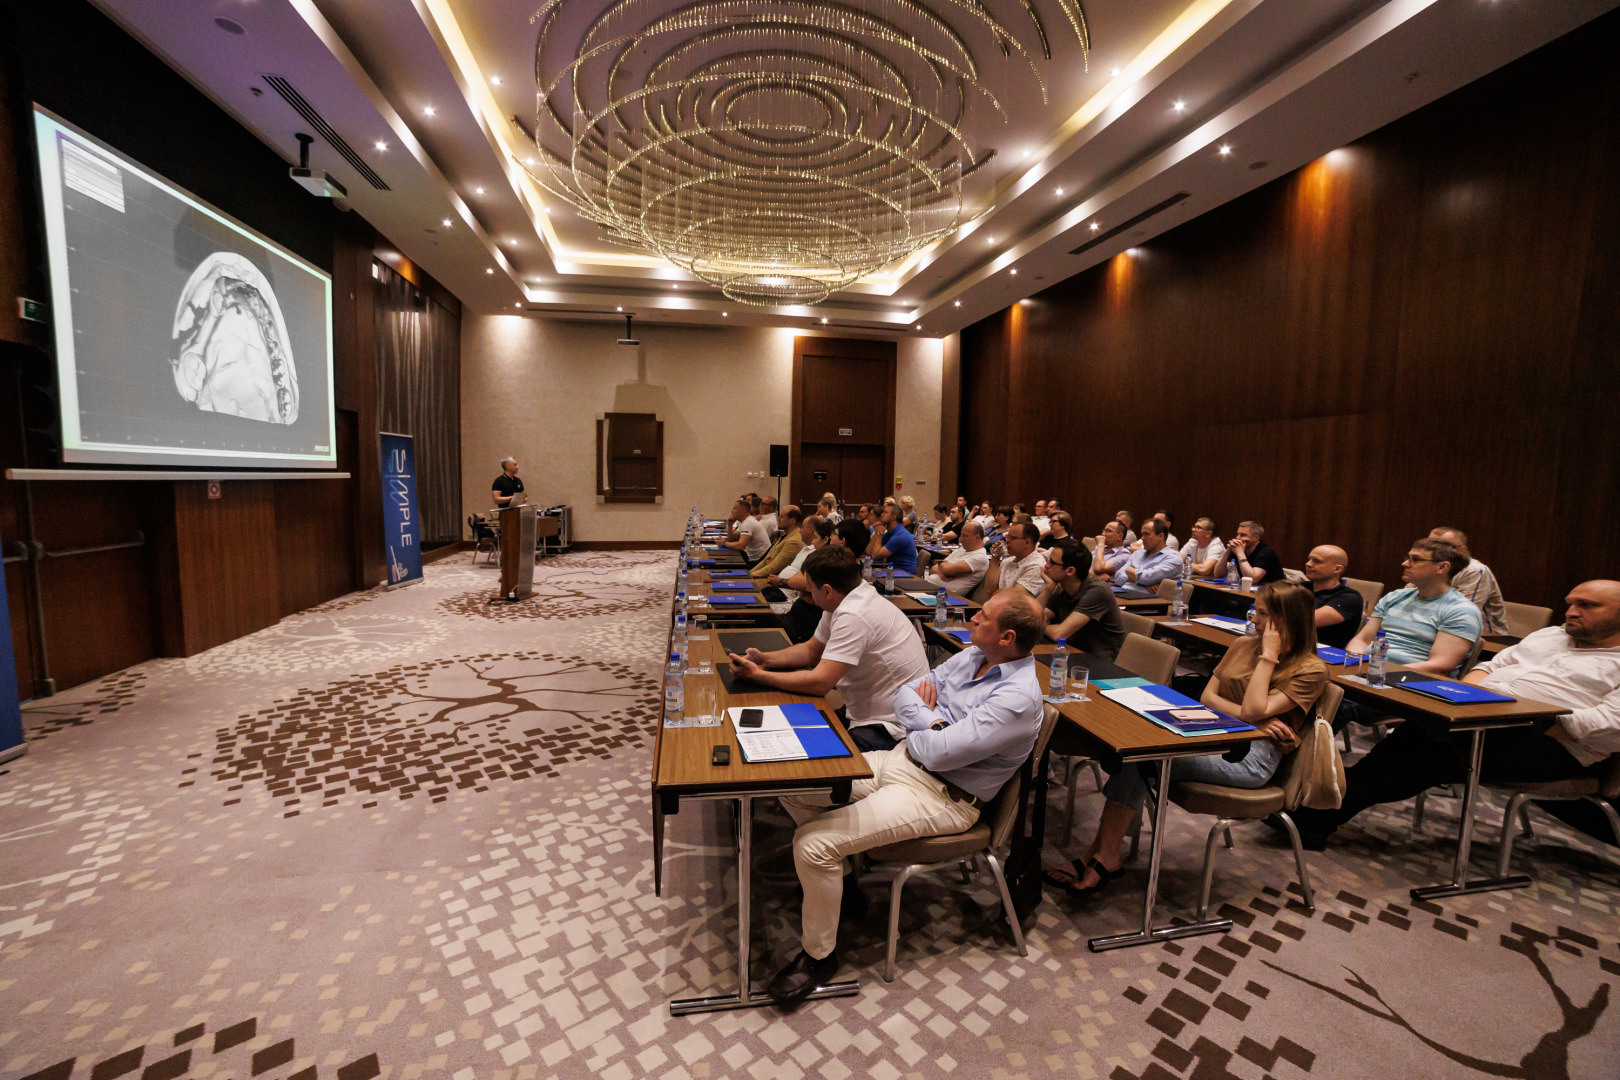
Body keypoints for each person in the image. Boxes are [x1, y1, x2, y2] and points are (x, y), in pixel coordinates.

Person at [765, 589, 1047, 1005]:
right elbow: (904, 695)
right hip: (902, 758)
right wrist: (938, 723)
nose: (972, 617)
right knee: (795, 783)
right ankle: (844, 890)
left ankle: (818, 958)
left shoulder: (1017, 697)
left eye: (983, 616)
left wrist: (930, 722)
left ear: (1006, 638)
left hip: (944, 797)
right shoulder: (972, 655)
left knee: (813, 845)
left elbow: (940, 751)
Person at [1290, 580, 1620, 850]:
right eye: (1571, 602)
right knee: (1421, 732)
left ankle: (1315, 815)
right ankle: (1315, 812)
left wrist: (1537, 717)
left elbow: (1610, 727)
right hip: (1483, 716)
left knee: (1431, 746)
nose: (1571, 612)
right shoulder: (1551, 635)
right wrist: (1471, 697)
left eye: (1587, 606)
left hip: (1554, 746)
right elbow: (1491, 665)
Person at [1049, 581, 1329, 896]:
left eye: (1264, 614)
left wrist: (1268, 658)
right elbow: (1208, 698)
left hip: (1253, 758)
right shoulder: (1242, 645)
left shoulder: (1310, 670)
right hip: (1209, 731)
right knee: (1139, 753)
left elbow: (1253, 707)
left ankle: (1101, 855)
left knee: (1144, 757)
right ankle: (1102, 855)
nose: (1254, 619)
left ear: (1287, 620)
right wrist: (1253, 717)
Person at [728, 546, 930, 754]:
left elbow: (820, 683)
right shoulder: (846, 598)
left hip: (893, 727)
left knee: (818, 762)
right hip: (867, 710)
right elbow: (810, 651)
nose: (805, 593)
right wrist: (765, 660)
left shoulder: (854, 615)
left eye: (809, 588)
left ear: (826, 590)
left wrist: (758, 676)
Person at [1332, 537, 1483, 732]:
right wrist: (1355, 666)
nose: (1405, 563)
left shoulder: (1461, 610)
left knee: (1336, 703)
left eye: (1415, 559)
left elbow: (1440, 665)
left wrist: (1377, 673)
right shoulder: (1395, 597)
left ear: (1442, 567)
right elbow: (1362, 639)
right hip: (1368, 677)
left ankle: (1309, 760)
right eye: (1407, 558)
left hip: (1411, 687)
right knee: (1304, 688)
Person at [1041, 537, 1127, 658]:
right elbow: (1036, 618)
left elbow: (1058, 634)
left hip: (1099, 663)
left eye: (1052, 562)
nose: (1046, 566)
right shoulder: (1062, 588)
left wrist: (1040, 625)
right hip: (1073, 652)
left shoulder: (1097, 591)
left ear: (1070, 571)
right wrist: (1048, 588)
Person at [1430, 526, 1509, 635]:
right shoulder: (1427, 566)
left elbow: (1463, 615)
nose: (1435, 551)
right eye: (1430, 545)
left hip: (1487, 641)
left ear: (1462, 550)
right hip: (1438, 630)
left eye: (1443, 546)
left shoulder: (1474, 570)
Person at [779, 517, 834, 641]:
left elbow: (798, 583)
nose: (813, 542)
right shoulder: (815, 556)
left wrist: (805, 588)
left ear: (825, 540)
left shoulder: (827, 562)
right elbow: (796, 581)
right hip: (796, 612)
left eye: (815, 537)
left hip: (804, 621)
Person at [1302, 545, 1365, 649]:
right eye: (1309, 559)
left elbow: (1304, 622)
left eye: (1316, 561)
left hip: (1325, 656)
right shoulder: (1301, 587)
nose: (1308, 564)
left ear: (1337, 569)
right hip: (1295, 649)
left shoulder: (1350, 597)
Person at [1112, 517, 1181, 598]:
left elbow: (1146, 577)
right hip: (1123, 594)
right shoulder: (1137, 554)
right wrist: (1144, 582)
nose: (1142, 538)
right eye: (1142, 534)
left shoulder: (1173, 558)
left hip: (1148, 603)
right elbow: (1118, 577)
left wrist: (1129, 570)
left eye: (1147, 534)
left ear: (1160, 536)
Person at [983, 520, 1047, 600]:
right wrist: (995, 560)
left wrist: (996, 593)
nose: (1007, 540)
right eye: (1007, 536)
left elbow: (1014, 598)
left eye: (1012, 538)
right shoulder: (1007, 562)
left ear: (1027, 542)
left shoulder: (1036, 566)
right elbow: (989, 590)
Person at [923, 521, 991, 596]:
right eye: (961, 535)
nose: (961, 539)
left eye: (965, 536)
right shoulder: (962, 549)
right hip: (933, 591)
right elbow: (933, 569)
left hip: (949, 598)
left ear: (977, 537)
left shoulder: (980, 557)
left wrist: (941, 565)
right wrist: (942, 573)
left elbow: (947, 570)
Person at [1211, 521, 1285, 588]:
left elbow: (1252, 580)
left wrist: (1240, 553)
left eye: (1243, 535)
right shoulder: (1239, 549)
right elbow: (1218, 574)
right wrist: (1228, 551)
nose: (1237, 537)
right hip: (1252, 591)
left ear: (1256, 537)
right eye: (1238, 534)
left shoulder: (1266, 552)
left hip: (1274, 594)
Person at [749, 505, 805, 580]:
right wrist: (749, 573)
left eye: (781, 516)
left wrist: (750, 576)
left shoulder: (794, 541)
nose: (778, 519)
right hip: (766, 575)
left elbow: (774, 567)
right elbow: (766, 561)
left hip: (773, 580)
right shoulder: (785, 535)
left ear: (792, 521)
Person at [867, 503, 919, 575]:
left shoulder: (900, 535)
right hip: (894, 571)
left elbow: (876, 556)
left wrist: (879, 534)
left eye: (885, 512)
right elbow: (868, 553)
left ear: (893, 517)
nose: (882, 514)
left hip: (905, 575)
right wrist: (876, 533)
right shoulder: (890, 533)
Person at [721, 498, 772, 565]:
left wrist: (724, 543)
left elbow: (740, 546)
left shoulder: (748, 523)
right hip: (752, 557)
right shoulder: (744, 522)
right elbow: (732, 539)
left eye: (734, 508)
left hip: (758, 561)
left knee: (724, 563)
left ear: (742, 511)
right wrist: (730, 525)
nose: (731, 511)